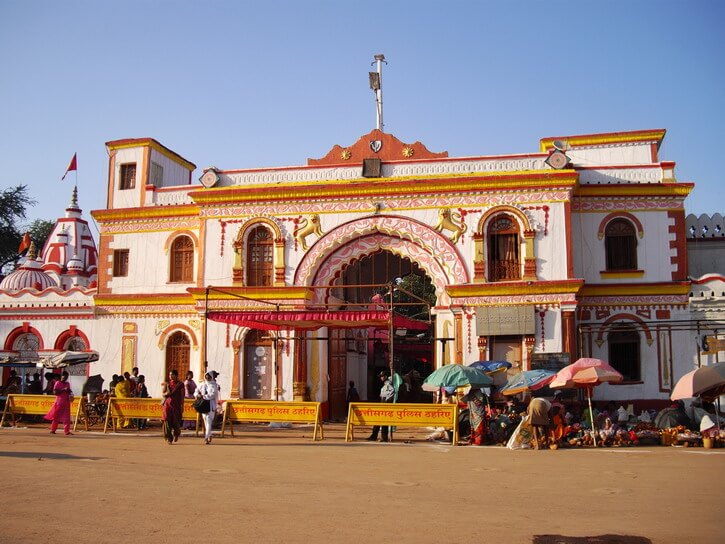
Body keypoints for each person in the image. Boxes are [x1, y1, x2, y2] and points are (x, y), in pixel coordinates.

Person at [367, 372, 394, 442]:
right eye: (380, 376)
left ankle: (384, 437)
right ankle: (374, 436)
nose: (381, 378)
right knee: (377, 420)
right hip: (382, 404)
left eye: (382, 376)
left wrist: (386, 404)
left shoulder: (388, 385)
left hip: (385, 405)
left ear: (385, 376)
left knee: (384, 422)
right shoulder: (385, 385)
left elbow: (389, 396)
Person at [44, 371, 74, 435]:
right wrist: (63, 389)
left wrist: (70, 392)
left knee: (67, 418)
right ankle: (53, 430)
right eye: (64, 376)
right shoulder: (57, 383)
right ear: (61, 376)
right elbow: (55, 393)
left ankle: (67, 431)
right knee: (56, 416)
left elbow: (69, 391)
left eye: (66, 377)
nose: (65, 378)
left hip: (66, 402)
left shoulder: (67, 383)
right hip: (59, 402)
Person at [195, 371, 220, 445]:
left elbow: (212, 395)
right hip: (203, 405)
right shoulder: (202, 384)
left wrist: (204, 396)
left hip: (210, 405)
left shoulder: (214, 385)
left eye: (209, 377)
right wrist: (197, 395)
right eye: (206, 376)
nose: (207, 378)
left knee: (209, 421)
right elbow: (196, 391)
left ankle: (206, 437)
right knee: (205, 420)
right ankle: (209, 434)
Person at [161, 370, 185, 445]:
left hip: (176, 405)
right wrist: (166, 393)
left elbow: (182, 396)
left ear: (176, 375)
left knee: (176, 422)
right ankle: (169, 437)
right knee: (167, 420)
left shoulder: (180, 384)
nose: (170, 376)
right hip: (167, 405)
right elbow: (163, 393)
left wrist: (182, 406)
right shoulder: (167, 384)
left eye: (172, 375)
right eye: (170, 375)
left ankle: (176, 434)